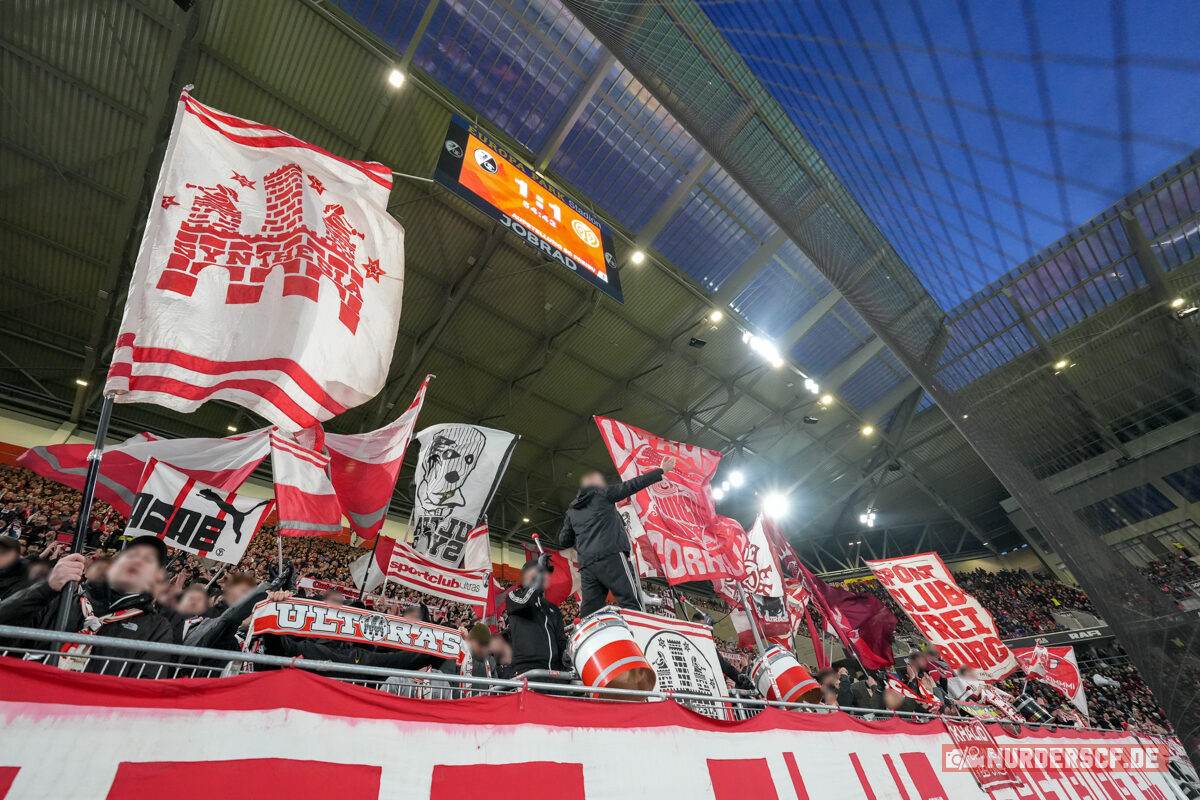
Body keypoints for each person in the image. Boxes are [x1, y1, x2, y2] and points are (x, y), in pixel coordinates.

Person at [0, 534, 175, 673]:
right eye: (132, 555)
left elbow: (144, 684)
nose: (138, 561)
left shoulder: (157, 628)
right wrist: (46, 587)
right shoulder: (61, 598)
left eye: (149, 560)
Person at [558, 456, 677, 616]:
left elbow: (564, 540)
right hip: (610, 555)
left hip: (587, 564)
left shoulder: (571, 511)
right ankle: (638, 636)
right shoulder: (602, 494)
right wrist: (661, 471)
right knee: (629, 600)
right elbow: (632, 485)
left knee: (590, 611)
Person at [507, 559, 569, 677]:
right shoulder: (514, 595)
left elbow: (561, 639)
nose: (545, 576)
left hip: (555, 674)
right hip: (527, 672)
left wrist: (566, 654)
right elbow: (525, 601)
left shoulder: (553, 608)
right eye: (541, 572)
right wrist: (537, 581)